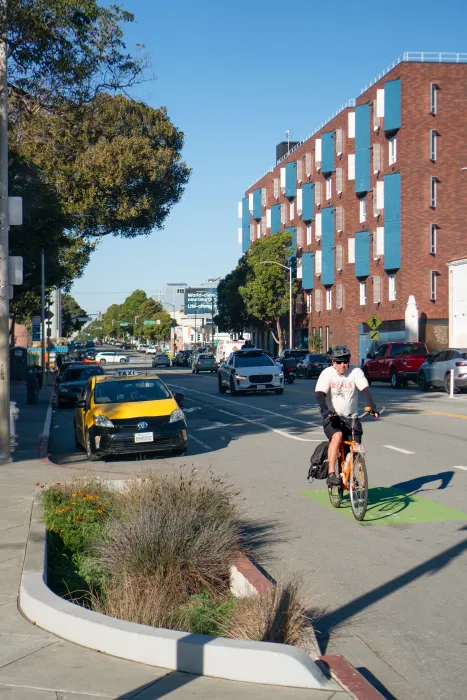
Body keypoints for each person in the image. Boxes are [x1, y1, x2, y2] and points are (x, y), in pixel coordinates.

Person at [315, 345, 379, 487]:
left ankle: (349, 474)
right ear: (333, 363)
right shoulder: (327, 373)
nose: (343, 365)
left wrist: (372, 408)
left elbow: (365, 390)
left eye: (345, 361)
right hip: (333, 417)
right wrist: (326, 412)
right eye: (339, 362)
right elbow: (320, 395)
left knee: (355, 446)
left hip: (351, 417)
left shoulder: (356, 372)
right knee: (337, 436)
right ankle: (331, 474)